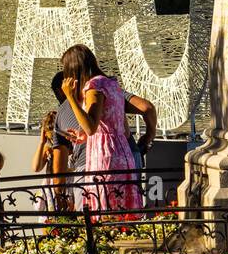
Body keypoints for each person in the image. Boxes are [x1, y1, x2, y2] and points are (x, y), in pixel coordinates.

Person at [51, 67, 157, 207]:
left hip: (88, 167)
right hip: (129, 157)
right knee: (128, 215)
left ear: (62, 89)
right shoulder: (110, 91)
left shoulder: (61, 113)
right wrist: (148, 136)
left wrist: (59, 199)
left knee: (94, 220)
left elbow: (59, 164)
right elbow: (147, 107)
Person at [59, 45, 144, 213]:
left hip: (105, 155)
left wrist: (70, 96)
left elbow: (91, 127)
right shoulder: (111, 84)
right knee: (123, 210)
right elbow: (123, 130)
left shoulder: (94, 86)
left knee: (105, 209)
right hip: (122, 152)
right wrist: (84, 136)